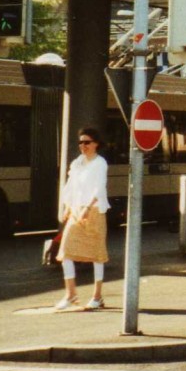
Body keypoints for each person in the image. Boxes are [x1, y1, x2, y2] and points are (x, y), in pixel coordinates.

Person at [54, 128, 110, 311]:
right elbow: (70, 187)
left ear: (96, 144)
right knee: (66, 252)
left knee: (97, 255)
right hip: (77, 212)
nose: (83, 146)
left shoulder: (100, 163)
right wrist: (67, 207)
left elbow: (100, 187)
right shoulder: (77, 163)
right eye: (80, 142)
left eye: (87, 142)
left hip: (93, 210)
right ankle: (71, 295)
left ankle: (97, 296)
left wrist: (87, 207)